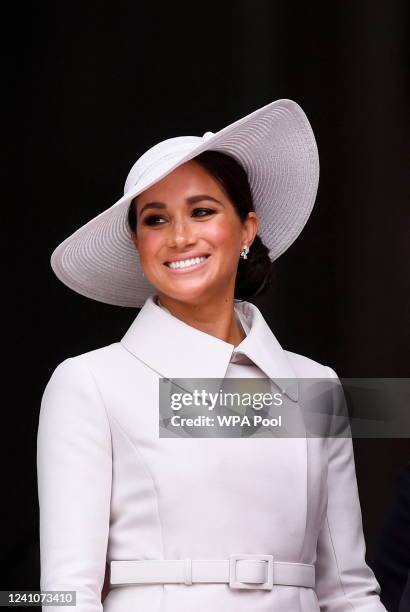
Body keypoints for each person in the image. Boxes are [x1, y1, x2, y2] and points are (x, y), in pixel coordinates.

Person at [36, 99, 387, 612]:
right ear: (138, 243)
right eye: (156, 219)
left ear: (247, 229)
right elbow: (67, 594)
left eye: (202, 211)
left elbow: (350, 591)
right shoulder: (88, 383)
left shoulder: (316, 386)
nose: (181, 237)